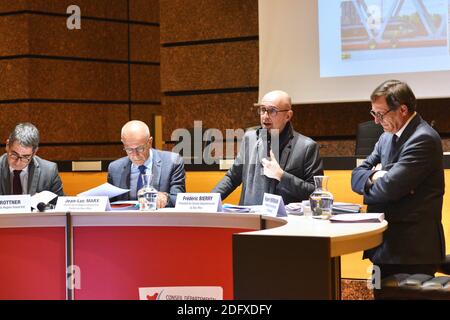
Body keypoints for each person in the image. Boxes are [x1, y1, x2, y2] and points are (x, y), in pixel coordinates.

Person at [351, 80, 446, 286]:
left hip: (411, 250)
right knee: (377, 294)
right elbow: (356, 175)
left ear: (402, 109)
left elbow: (390, 189)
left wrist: (377, 180)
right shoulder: (385, 137)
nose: (376, 121)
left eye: (380, 114)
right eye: (373, 114)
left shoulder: (423, 139)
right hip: (380, 247)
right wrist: (376, 176)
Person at [212, 90, 323, 205]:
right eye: (263, 110)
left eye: (272, 111)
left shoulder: (306, 147)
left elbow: (316, 192)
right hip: (250, 217)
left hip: (286, 220)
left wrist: (281, 175)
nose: (265, 116)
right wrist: (210, 201)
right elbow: (232, 178)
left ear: (288, 116)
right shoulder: (250, 138)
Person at [108, 120, 185, 208]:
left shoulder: (172, 162)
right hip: (127, 221)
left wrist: (165, 198)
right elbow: (110, 205)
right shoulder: (114, 168)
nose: (135, 155)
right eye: (129, 149)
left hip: (159, 220)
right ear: (123, 143)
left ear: (149, 142)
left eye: (140, 148)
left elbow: (179, 199)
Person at [0, 122, 64, 196]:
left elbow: (59, 204)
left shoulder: (49, 172)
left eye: (25, 157)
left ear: (34, 152)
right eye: (14, 154)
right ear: (7, 145)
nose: (18, 163)